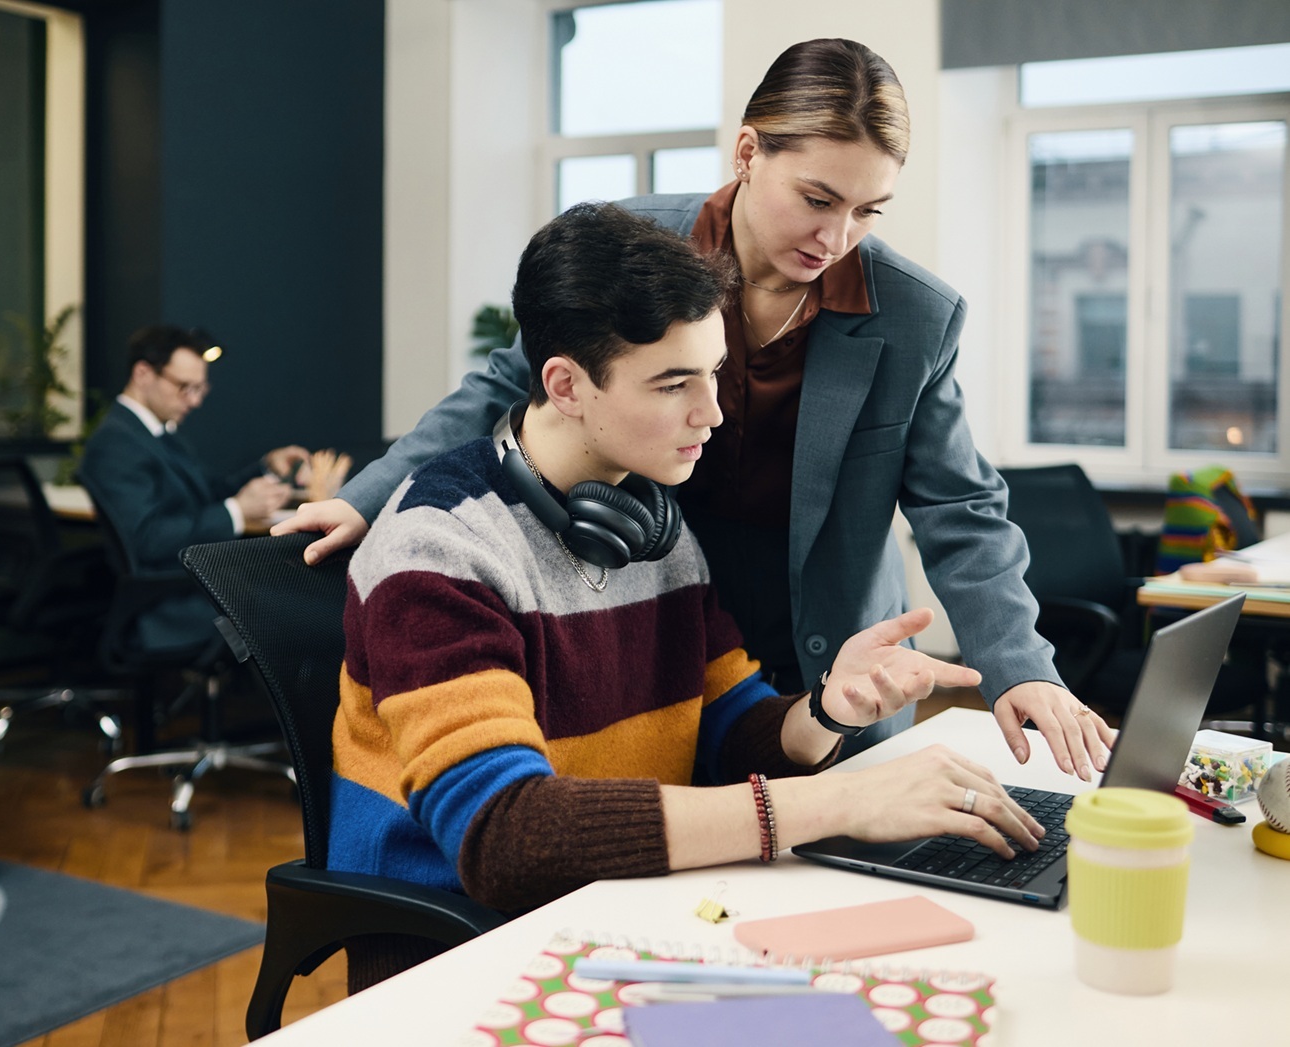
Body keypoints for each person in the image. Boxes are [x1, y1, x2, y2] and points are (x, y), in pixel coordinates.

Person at [281, 37, 1117, 780]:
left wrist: (1022, 665)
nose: (837, 238)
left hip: (827, 654)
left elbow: (962, 507)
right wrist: (368, 497)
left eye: (867, 212)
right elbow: (512, 381)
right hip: (662, 613)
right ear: (748, 151)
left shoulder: (914, 316)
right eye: (819, 198)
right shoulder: (630, 248)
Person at [329, 202, 1043, 990]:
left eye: (713, 372)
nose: (712, 412)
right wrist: (839, 803)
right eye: (675, 383)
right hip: (464, 962)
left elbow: (730, 725)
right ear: (565, 384)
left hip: (626, 919)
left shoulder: (648, 525)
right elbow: (508, 837)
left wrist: (828, 710)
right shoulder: (440, 550)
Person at [80, 324, 312, 650]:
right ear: (143, 373)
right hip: (166, 604)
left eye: (200, 389)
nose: (194, 401)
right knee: (299, 611)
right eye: (184, 387)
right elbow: (147, 538)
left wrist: (265, 467)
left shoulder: (154, 435)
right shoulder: (117, 443)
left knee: (296, 600)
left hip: (188, 587)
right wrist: (237, 512)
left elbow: (210, 490)